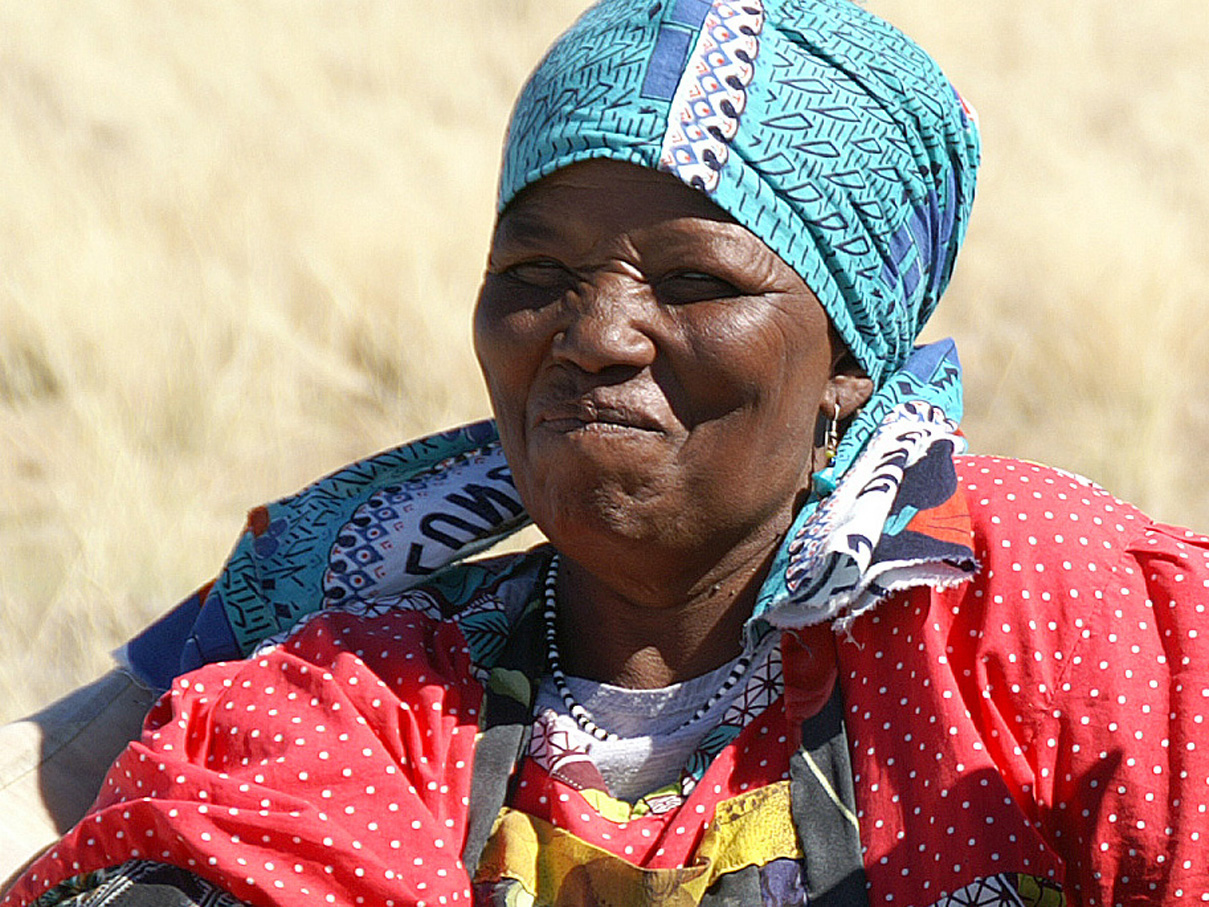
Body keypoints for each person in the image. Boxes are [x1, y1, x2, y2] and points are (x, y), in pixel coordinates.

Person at [6, 0, 1209, 904]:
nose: (595, 336)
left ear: (850, 359)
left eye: (691, 280)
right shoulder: (366, 690)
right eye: (537, 277)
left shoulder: (1024, 608)